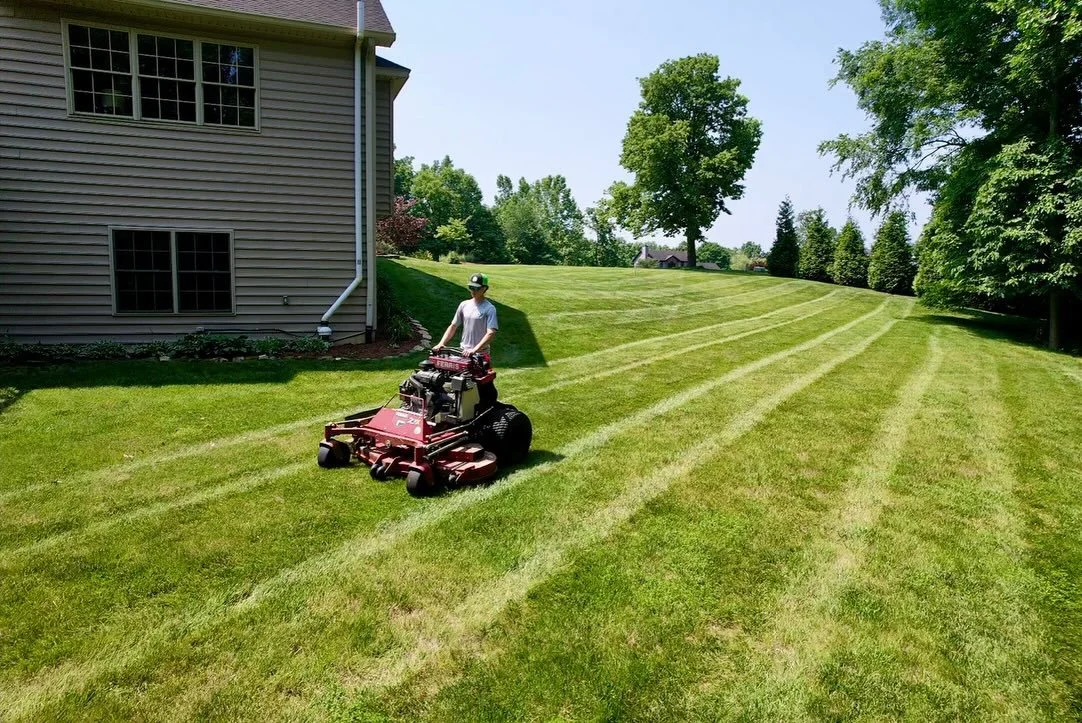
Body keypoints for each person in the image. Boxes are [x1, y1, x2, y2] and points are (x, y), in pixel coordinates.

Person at [432, 273, 498, 357]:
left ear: (484, 288)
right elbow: (453, 326)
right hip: (463, 351)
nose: (473, 291)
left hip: (481, 354)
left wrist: (474, 350)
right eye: (471, 287)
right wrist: (441, 343)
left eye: (476, 288)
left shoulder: (489, 308)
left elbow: (491, 333)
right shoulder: (464, 305)